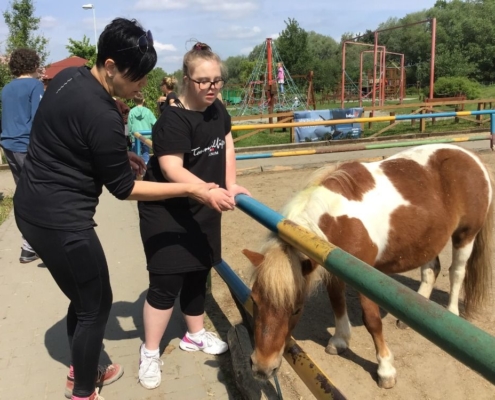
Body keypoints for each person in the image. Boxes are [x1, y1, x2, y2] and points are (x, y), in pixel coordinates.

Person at [13, 19, 224, 400]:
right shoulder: (104, 113)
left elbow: (67, 137)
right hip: (60, 220)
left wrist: (113, 154)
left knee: (84, 298)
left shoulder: (69, 78)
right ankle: (82, 391)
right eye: (136, 77)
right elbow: (124, 190)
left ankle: (86, 364)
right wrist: (192, 187)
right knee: (97, 304)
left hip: (31, 205)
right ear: (110, 66)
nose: (142, 84)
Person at [137, 42, 251, 390]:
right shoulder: (172, 120)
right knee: (166, 283)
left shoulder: (218, 110)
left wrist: (230, 183)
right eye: (204, 81)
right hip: (167, 211)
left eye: (217, 80)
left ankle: (194, 334)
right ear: (187, 79)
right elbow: (171, 169)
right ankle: (151, 351)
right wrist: (207, 189)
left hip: (204, 205)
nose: (212, 87)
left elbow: (227, 143)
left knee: (198, 273)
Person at [0, 48, 44, 263]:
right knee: (40, 193)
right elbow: (39, 118)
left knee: (24, 192)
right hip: (27, 145)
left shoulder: (6, 88)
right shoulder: (35, 85)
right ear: (34, 64)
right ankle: (32, 244)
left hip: (8, 144)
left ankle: (31, 243)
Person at [128, 91, 156, 164]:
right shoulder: (148, 111)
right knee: (145, 154)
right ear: (143, 100)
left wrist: (130, 136)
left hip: (136, 136)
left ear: (134, 101)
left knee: (135, 155)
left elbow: (129, 125)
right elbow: (155, 123)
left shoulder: (132, 112)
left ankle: (137, 171)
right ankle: (145, 168)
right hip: (146, 137)